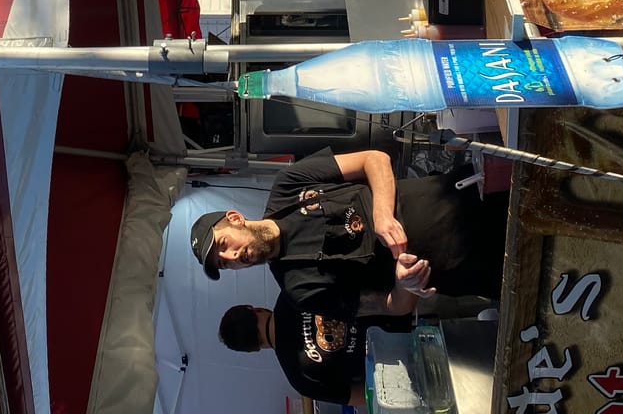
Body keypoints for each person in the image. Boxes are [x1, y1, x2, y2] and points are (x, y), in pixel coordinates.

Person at [189, 147, 509, 317]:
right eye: (224, 263)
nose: (232, 257)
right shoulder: (300, 290)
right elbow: (393, 307)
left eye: (224, 244)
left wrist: (382, 214)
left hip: (469, 199)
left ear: (235, 218)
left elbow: (374, 160)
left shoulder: (288, 185)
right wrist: (405, 284)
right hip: (476, 270)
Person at [219, 294, 413, 406]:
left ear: (254, 349)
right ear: (254, 309)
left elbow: (363, 396)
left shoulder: (298, 379)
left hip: (407, 362)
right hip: (407, 303)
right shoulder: (291, 292)